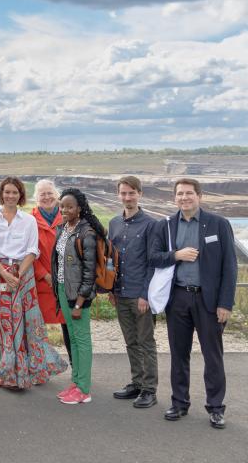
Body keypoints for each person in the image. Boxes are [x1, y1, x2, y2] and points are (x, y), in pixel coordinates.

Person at [149, 178, 237, 429]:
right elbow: (153, 257)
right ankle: (179, 403)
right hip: (178, 298)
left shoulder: (218, 224)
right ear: (174, 198)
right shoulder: (165, 225)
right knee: (178, 355)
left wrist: (225, 304)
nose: (184, 197)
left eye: (189, 193)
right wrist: (176, 255)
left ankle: (216, 408)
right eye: (180, 194)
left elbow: (229, 268)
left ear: (199, 196)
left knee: (213, 356)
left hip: (209, 301)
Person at [0, 176, 66, 390]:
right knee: (3, 323)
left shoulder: (28, 220)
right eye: (6, 192)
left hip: (24, 273)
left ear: (20, 195)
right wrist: (5, 273)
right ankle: (5, 369)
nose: (10, 196)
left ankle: (30, 368)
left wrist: (18, 274)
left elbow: (32, 250)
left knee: (27, 321)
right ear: (1, 194)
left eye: (14, 192)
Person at [108, 175, 158, 409]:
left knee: (146, 342)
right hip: (120, 293)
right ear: (118, 195)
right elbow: (110, 259)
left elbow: (153, 263)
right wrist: (110, 288)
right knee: (130, 342)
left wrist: (145, 295)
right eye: (123, 193)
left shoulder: (151, 224)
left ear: (140, 194)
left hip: (140, 295)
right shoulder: (114, 223)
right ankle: (137, 383)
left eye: (132, 193)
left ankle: (149, 389)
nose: (127, 197)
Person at [52, 188, 103, 405]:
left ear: (79, 208)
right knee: (72, 338)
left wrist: (80, 302)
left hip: (78, 295)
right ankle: (75, 382)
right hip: (64, 290)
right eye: (62, 206)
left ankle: (84, 389)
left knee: (82, 340)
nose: (64, 210)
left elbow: (89, 273)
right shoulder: (63, 229)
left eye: (69, 206)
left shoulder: (87, 233)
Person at [31, 179, 70, 360]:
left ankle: (76, 367)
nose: (47, 197)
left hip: (66, 282)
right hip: (41, 283)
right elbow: (28, 252)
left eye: (50, 193)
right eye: (42, 194)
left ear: (57, 195)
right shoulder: (30, 221)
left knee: (69, 327)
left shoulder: (69, 217)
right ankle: (40, 366)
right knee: (38, 328)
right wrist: (44, 275)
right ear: (36, 198)